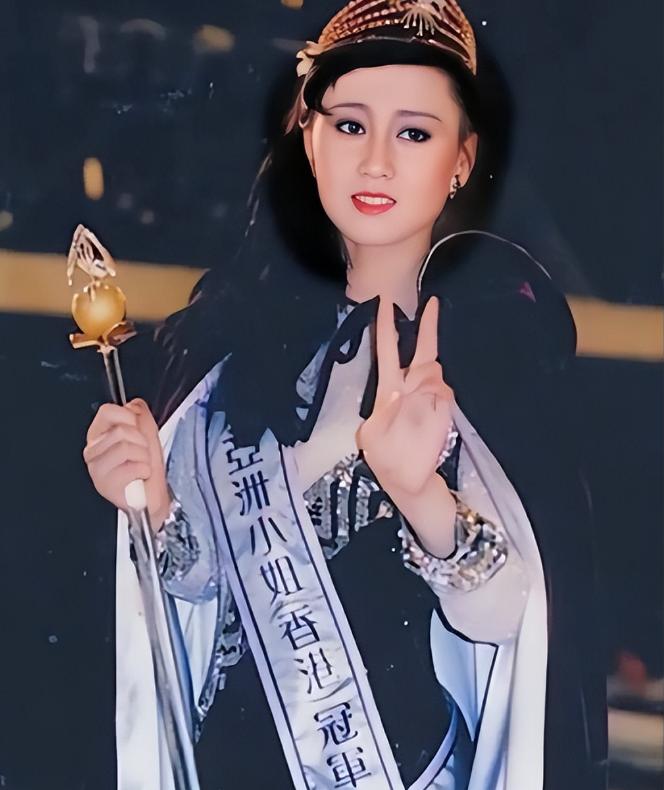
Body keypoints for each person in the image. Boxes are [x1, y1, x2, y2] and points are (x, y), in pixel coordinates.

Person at [83, 1, 607, 787]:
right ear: (309, 135)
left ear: (462, 159)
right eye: (352, 125)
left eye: (415, 133)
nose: (377, 163)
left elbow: (514, 623)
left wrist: (421, 495)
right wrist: (150, 504)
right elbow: (200, 588)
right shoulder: (226, 345)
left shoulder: (496, 356)